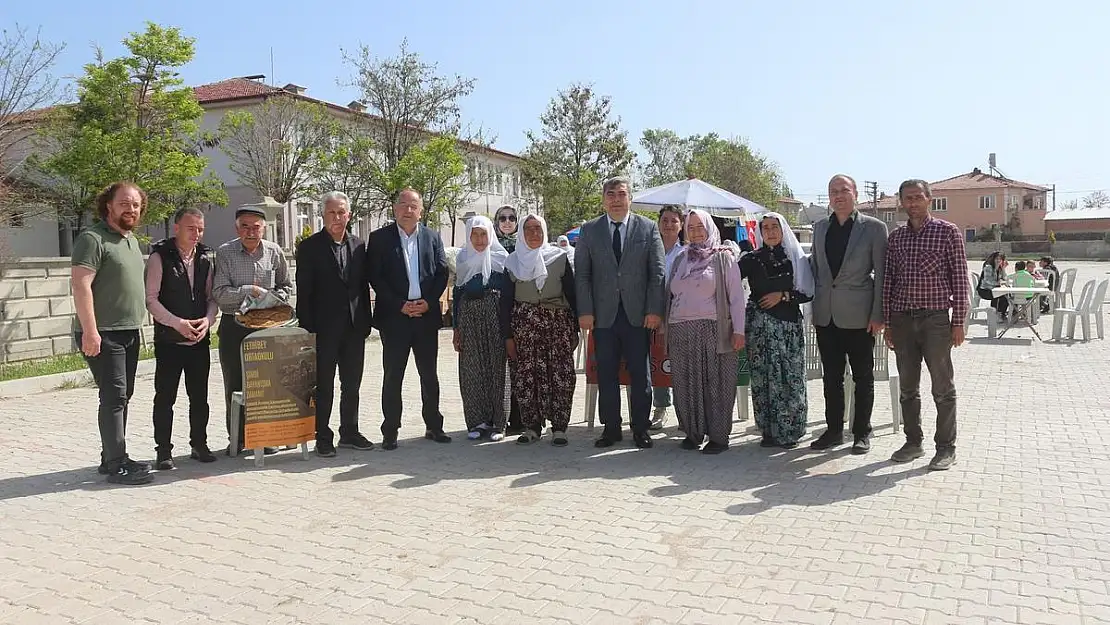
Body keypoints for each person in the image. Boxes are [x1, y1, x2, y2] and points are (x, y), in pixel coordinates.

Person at [72, 182, 154, 485]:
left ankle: (111, 459)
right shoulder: (92, 239)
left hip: (128, 331)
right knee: (114, 396)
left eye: (135, 204)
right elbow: (80, 286)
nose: (130, 209)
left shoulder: (130, 240)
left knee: (122, 396)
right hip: (103, 333)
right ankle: (117, 463)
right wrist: (90, 332)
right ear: (109, 205)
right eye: (124, 203)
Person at [575, 175, 666, 449]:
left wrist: (654, 310)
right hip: (602, 317)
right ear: (604, 199)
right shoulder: (590, 230)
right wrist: (585, 311)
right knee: (606, 374)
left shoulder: (648, 228)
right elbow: (582, 274)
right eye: (611, 194)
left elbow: (657, 273)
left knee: (640, 374)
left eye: (621, 194)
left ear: (630, 198)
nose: (616, 199)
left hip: (638, 315)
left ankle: (640, 428)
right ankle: (611, 429)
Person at [883, 179, 968, 471]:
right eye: (908, 198)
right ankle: (913, 442)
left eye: (918, 197)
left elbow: (960, 279)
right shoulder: (896, 239)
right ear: (902, 202)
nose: (913, 203)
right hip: (902, 320)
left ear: (929, 200)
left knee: (942, 388)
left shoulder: (948, 232)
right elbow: (888, 282)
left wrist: (958, 321)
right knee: (908, 386)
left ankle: (945, 448)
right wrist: (888, 323)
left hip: (935, 321)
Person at [809, 174, 888, 454]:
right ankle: (833, 431)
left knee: (862, 376)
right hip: (826, 315)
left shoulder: (875, 229)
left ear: (855, 193)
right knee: (830, 377)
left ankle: (861, 432)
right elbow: (816, 269)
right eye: (833, 191)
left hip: (860, 316)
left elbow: (882, 275)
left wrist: (878, 313)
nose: (838, 195)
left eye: (844, 190)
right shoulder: (819, 228)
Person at [367, 188, 451, 450]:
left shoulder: (432, 237)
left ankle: (434, 425)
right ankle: (390, 430)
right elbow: (375, 277)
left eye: (413, 205)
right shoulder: (379, 238)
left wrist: (428, 301)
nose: (407, 210)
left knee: (429, 375)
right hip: (395, 318)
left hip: (425, 317)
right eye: (402, 204)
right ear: (395, 209)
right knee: (393, 375)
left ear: (421, 210)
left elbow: (441, 272)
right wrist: (400, 305)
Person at [295, 191, 375, 458]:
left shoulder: (359, 246)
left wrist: (366, 322)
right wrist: (308, 330)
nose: (337, 218)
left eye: (342, 213)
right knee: (324, 386)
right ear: (323, 215)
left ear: (349, 215)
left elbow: (362, 287)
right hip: (323, 330)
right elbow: (303, 292)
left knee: (352, 384)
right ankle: (323, 436)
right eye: (332, 213)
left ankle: (350, 431)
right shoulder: (309, 248)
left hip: (354, 328)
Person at [212, 205, 293, 456]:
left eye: (256, 227)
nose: (250, 231)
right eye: (245, 226)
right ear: (237, 228)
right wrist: (250, 291)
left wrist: (271, 298)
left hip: (267, 327)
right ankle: (237, 438)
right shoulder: (225, 253)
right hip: (234, 326)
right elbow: (220, 294)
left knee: (268, 385)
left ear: (264, 228)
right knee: (235, 385)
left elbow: (286, 287)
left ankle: (267, 436)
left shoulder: (274, 251)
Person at [664, 209, 746, 454]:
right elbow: (669, 292)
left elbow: (737, 298)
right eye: (691, 228)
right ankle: (693, 432)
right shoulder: (681, 258)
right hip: (680, 329)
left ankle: (719, 437)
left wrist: (739, 331)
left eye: (700, 227)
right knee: (685, 382)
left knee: (717, 383)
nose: (696, 232)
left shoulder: (723, 257)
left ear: (710, 227)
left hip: (713, 329)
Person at [145, 206, 219, 470]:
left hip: (199, 341)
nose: (196, 234)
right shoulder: (159, 257)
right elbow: (151, 300)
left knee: (199, 397)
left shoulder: (206, 258)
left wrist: (208, 321)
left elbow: (212, 298)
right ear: (176, 228)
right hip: (169, 342)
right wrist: (178, 324)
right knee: (165, 398)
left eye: (200, 229)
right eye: (191, 228)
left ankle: (199, 444)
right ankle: (163, 451)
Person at [739, 213, 815, 449]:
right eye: (766, 228)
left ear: (783, 230)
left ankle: (791, 430)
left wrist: (782, 296)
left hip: (787, 326)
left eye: (774, 227)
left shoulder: (795, 258)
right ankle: (769, 431)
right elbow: (728, 280)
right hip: (759, 328)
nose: (770, 232)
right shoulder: (751, 258)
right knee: (763, 377)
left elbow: (808, 292)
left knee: (789, 377)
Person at [502, 215, 579, 446]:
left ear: (545, 231)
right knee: (526, 376)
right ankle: (531, 426)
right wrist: (507, 336)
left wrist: (574, 328)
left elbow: (572, 294)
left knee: (560, 375)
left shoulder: (559, 257)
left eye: (538, 229)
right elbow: (505, 303)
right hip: (524, 327)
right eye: (529, 229)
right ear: (521, 234)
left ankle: (559, 427)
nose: (534, 233)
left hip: (557, 325)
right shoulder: (512, 262)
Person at [452, 216, 510, 441]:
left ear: (490, 235)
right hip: (469, 318)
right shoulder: (463, 258)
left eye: (483, 234)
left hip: (494, 315)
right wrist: (456, 328)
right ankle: (477, 421)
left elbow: (508, 296)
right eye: (474, 234)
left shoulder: (501, 258)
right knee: (471, 369)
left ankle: (498, 423)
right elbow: (457, 294)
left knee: (497, 367)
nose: (478, 239)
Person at [651, 204, 685, 431]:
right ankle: (660, 408)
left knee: (681, 364)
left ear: (681, 225)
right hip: (654, 313)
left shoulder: (687, 253)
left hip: (681, 314)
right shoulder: (651, 250)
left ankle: (685, 411)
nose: (669, 225)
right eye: (665, 220)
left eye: (674, 220)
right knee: (656, 362)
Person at [493, 203, 524, 435]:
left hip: (519, 309)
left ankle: (520, 417)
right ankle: (498, 415)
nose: (506, 222)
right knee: (498, 367)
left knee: (519, 365)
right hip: (492, 310)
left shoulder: (522, 246)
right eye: (502, 218)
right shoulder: (487, 243)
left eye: (511, 218)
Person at [977, 251, 1009, 320]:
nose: (998, 260)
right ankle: (995, 315)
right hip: (984, 290)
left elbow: (1005, 279)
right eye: (997, 259)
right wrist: (999, 283)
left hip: (994, 290)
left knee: (1007, 296)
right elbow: (987, 280)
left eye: (1000, 259)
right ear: (993, 259)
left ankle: (1001, 313)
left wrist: (1003, 269)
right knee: (999, 296)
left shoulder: (1000, 269)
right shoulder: (988, 267)